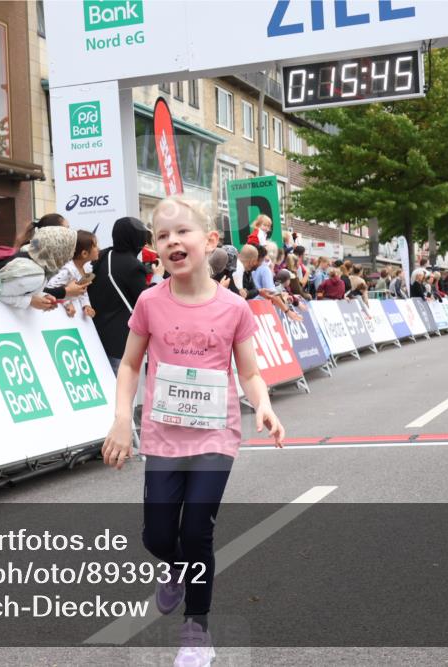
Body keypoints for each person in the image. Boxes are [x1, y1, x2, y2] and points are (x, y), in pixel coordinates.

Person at [101, 197, 284, 667]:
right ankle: (177, 569)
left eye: (182, 232)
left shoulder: (233, 308)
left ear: (209, 240)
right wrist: (122, 417)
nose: (172, 242)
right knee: (159, 536)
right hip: (163, 435)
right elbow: (129, 364)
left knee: (197, 530)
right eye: (162, 236)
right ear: (155, 249)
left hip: (214, 437)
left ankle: (196, 630)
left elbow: (248, 372)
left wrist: (262, 405)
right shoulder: (149, 302)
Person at [88, 216, 151, 374]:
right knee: (119, 391)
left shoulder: (101, 256)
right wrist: (157, 278)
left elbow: (86, 284)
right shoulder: (133, 266)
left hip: (93, 334)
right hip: (118, 341)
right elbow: (145, 301)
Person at [0, 226, 77, 309]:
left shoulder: (32, 255)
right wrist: (30, 301)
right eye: (69, 250)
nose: (72, 254)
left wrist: (42, 296)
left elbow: (16, 290)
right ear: (58, 250)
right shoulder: (35, 274)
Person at [46, 229, 98, 318]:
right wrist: (66, 303)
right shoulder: (68, 271)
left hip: (78, 314)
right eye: (95, 246)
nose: (98, 249)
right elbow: (50, 288)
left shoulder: (88, 269)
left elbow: (83, 291)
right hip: (61, 313)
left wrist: (86, 305)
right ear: (84, 253)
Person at [0, 212, 68, 268]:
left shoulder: (35, 244)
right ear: (51, 231)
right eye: (66, 229)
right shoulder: (34, 250)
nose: (69, 233)